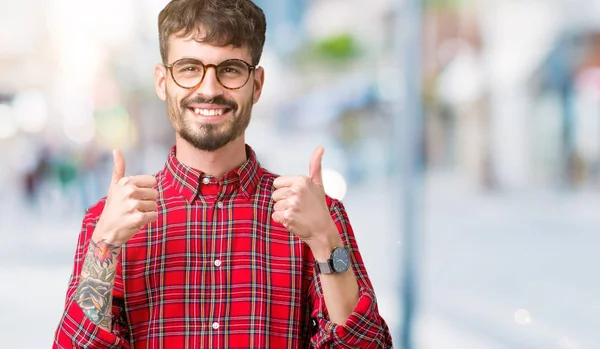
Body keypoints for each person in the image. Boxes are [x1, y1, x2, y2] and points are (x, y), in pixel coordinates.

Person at [53, 0, 392, 347]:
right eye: (188, 68)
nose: (210, 89)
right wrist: (105, 246)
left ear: (256, 84)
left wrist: (324, 240)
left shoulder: (316, 215)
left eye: (230, 69)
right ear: (161, 81)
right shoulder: (108, 220)